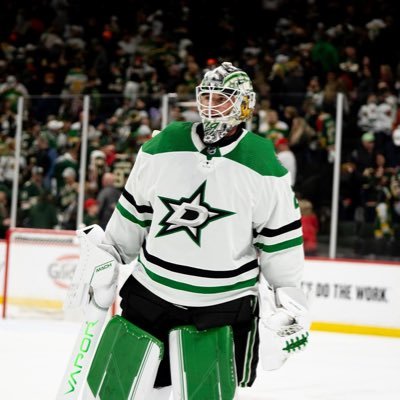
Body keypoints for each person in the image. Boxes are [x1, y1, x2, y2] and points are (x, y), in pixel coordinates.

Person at [79, 62, 309, 399]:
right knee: (117, 392)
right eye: (208, 97)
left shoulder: (263, 164)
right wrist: (108, 257)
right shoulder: (163, 146)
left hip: (222, 307)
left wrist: (288, 301)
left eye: (223, 99)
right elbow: (133, 216)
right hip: (150, 296)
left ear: (244, 105)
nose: (212, 106)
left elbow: (279, 244)